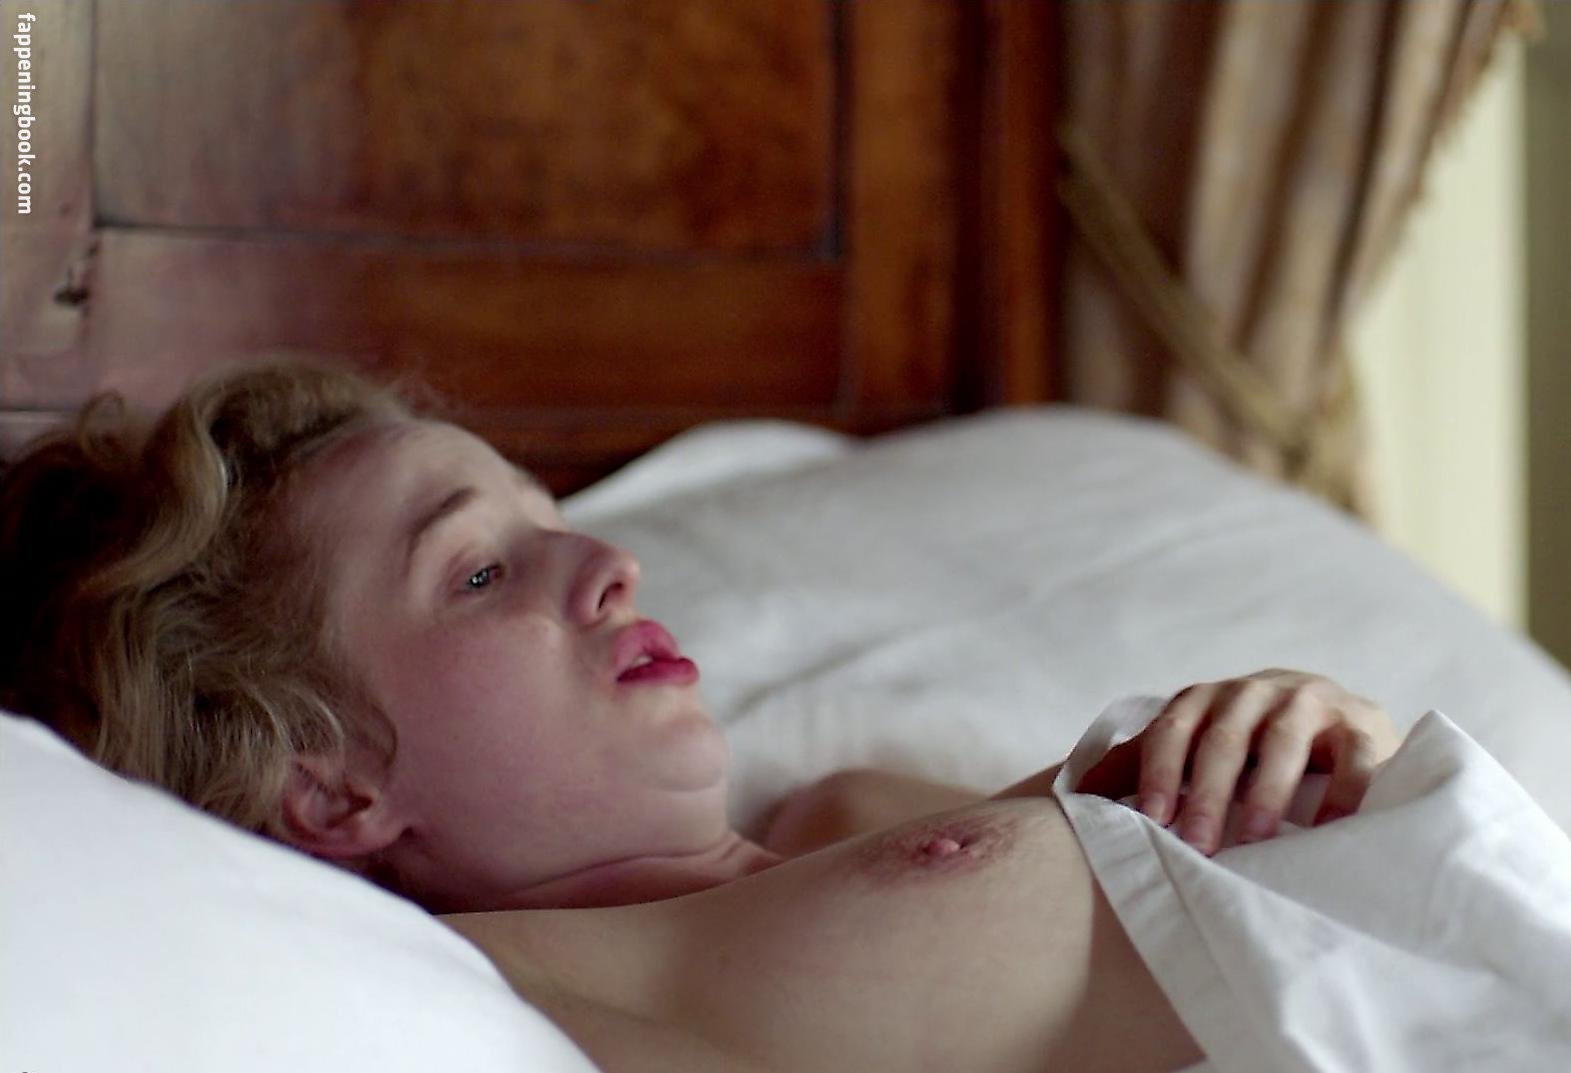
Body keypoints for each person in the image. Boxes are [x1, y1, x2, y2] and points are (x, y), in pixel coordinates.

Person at [0, 360, 1401, 1069]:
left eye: (551, 518)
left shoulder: (853, 807)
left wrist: (1337, 749)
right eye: (478, 572)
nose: (608, 565)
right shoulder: (493, 985)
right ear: (327, 786)